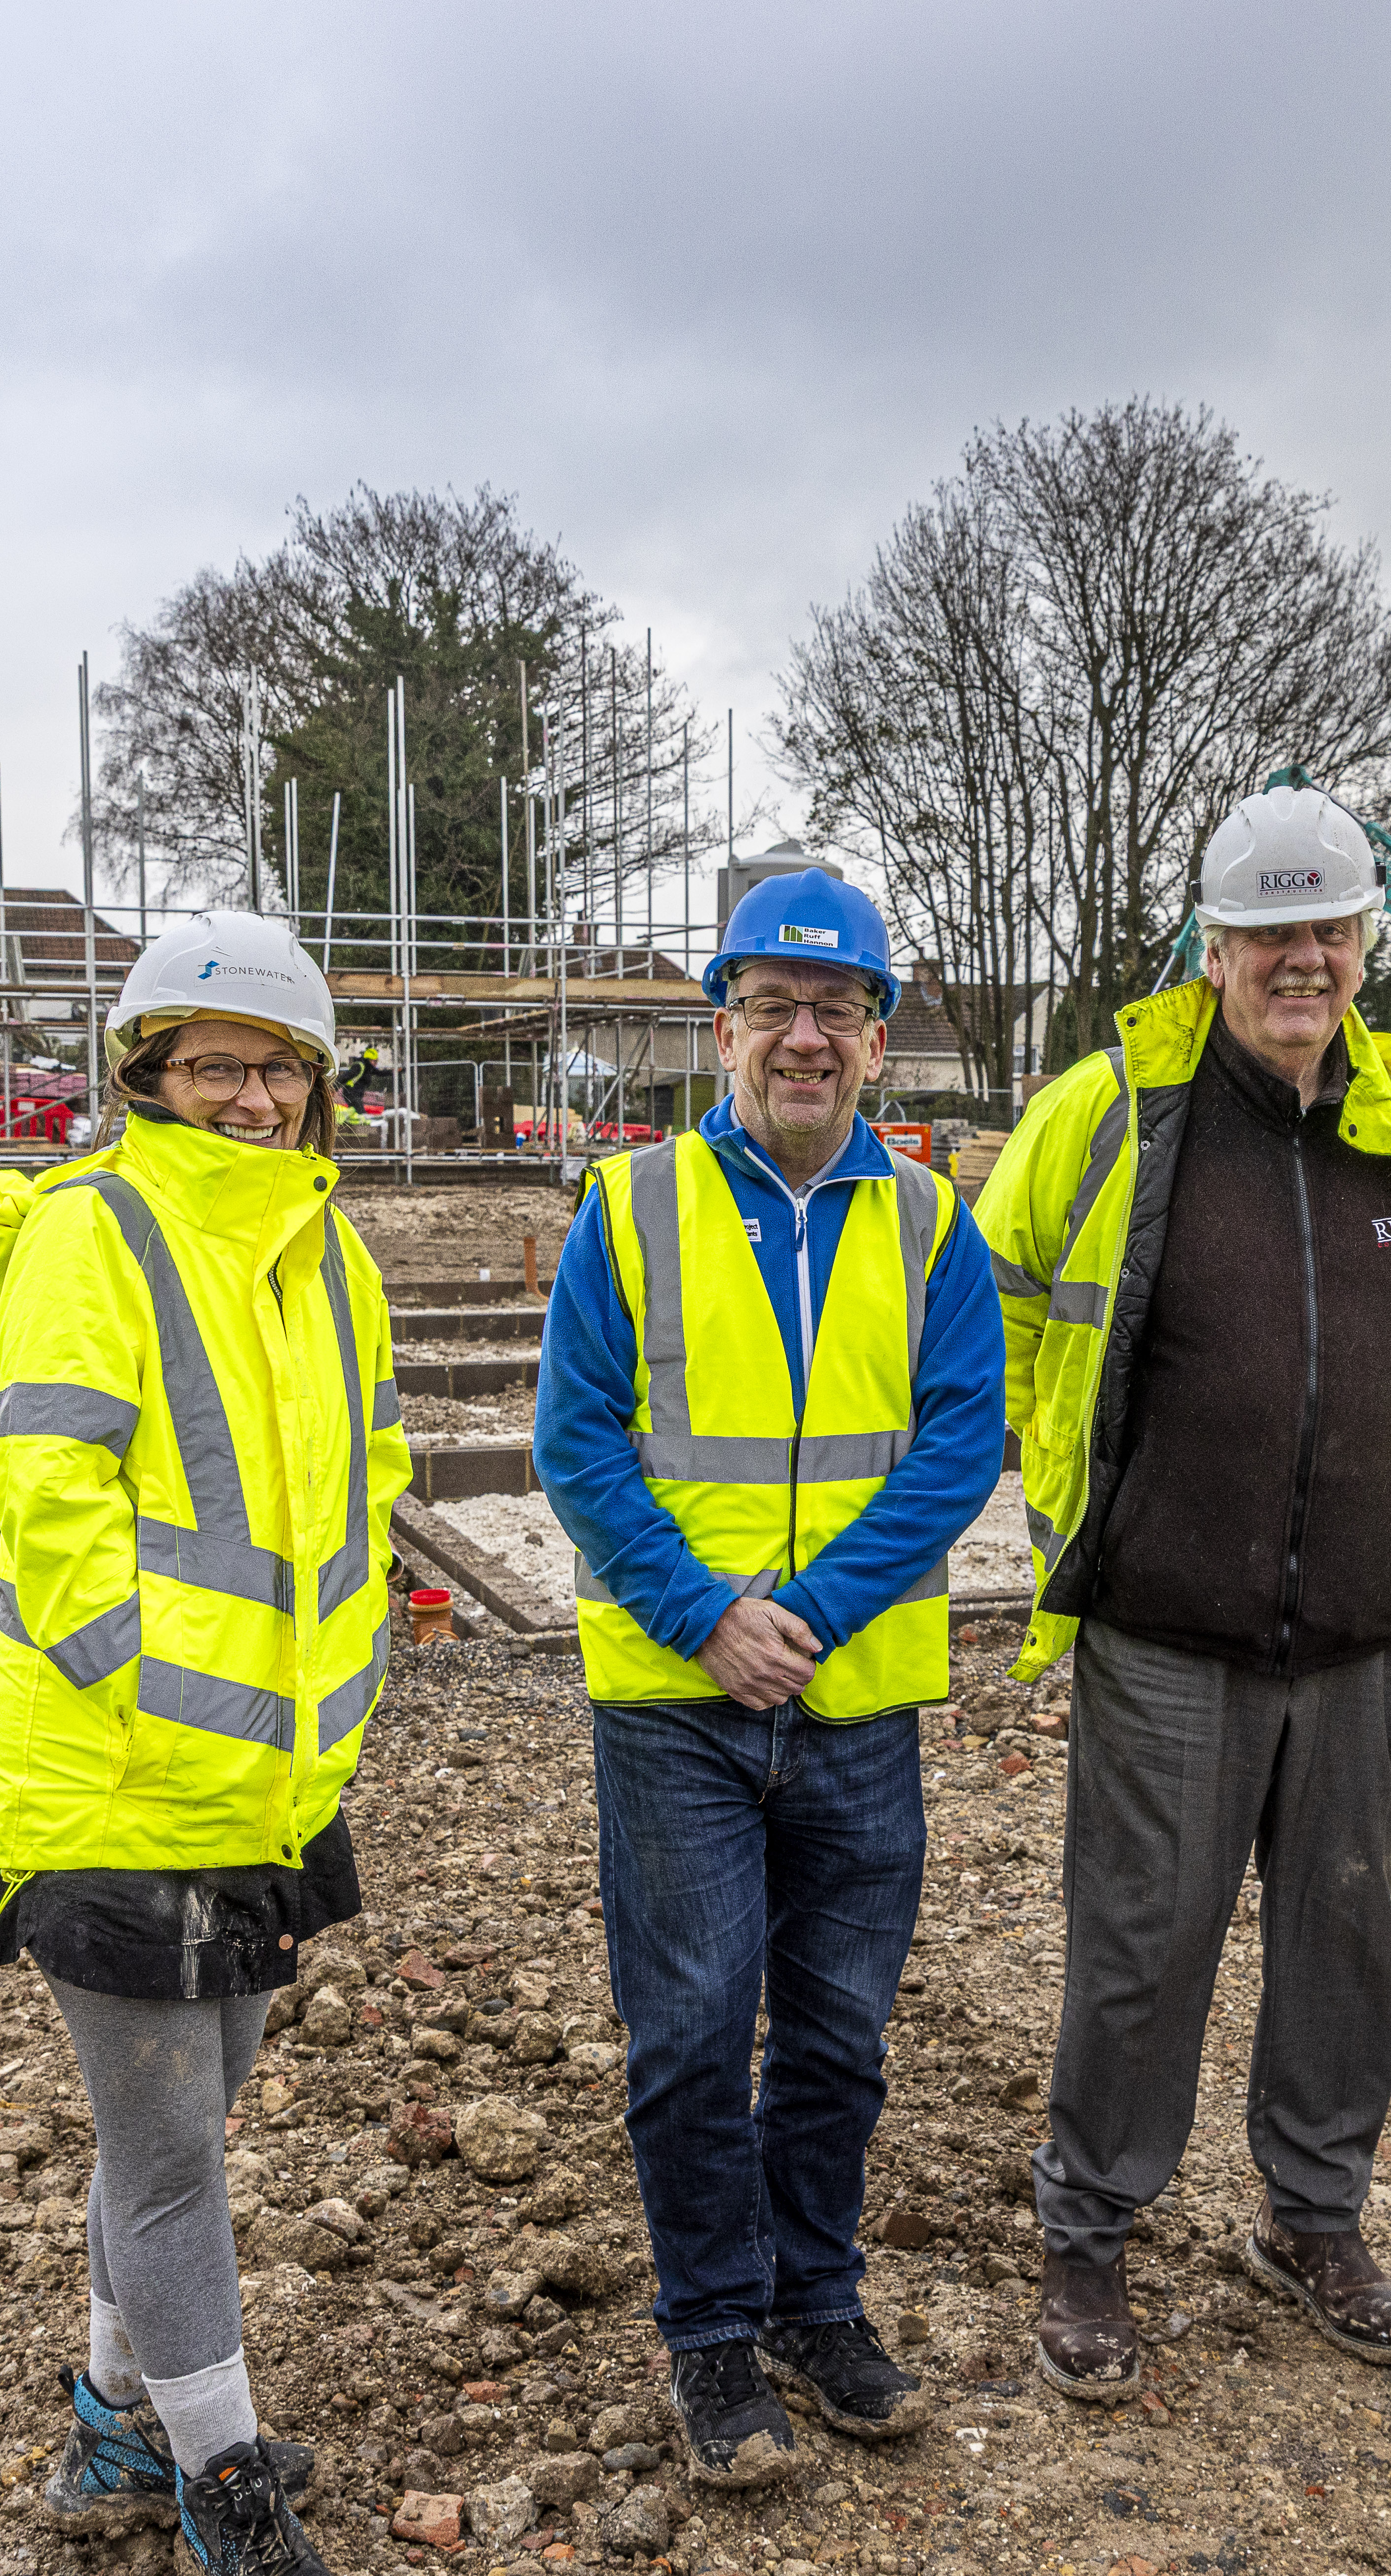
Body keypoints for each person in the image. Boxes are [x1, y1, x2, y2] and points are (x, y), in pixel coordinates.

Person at [972, 782, 1391, 2405]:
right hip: (1164, 1625)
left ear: (1369, 946)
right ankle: (1089, 2231)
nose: (1302, 958)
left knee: (1344, 1942)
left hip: (1359, 1633)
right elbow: (981, 1307)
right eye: (1268, 932)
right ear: (1211, 949)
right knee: (1141, 1941)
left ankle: (1315, 2215)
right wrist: (1066, 1491)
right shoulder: (1111, 1111)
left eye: (1328, 930)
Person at [0, 909, 409, 2576]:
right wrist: (139, 1688)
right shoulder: (99, 1225)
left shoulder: (325, 1252)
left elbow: (362, 1471)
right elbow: (52, 1486)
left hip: (268, 1783)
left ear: (317, 1088)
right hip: (121, 1776)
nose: (246, 1092)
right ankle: (222, 2475)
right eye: (210, 1061)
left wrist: (341, 1688)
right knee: (166, 2155)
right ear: (143, 1071)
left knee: (199, 2107)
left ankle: (107, 2421)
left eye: (275, 1063)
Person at [535, 868, 1003, 2488]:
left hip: (857, 1702)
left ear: (878, 1037)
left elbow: (958, 1448)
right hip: (677, 1707)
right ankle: (713, 2335)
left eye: (838, 1011)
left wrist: (797, 1609)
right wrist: (701, 1616)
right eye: (774, 1007)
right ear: (723, 1022)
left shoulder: (934, 1221)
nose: (804, 1039)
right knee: (686, 2033)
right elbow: (577, 1446)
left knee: (836, 2039)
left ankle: (818, 2301)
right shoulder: (632, 1206)